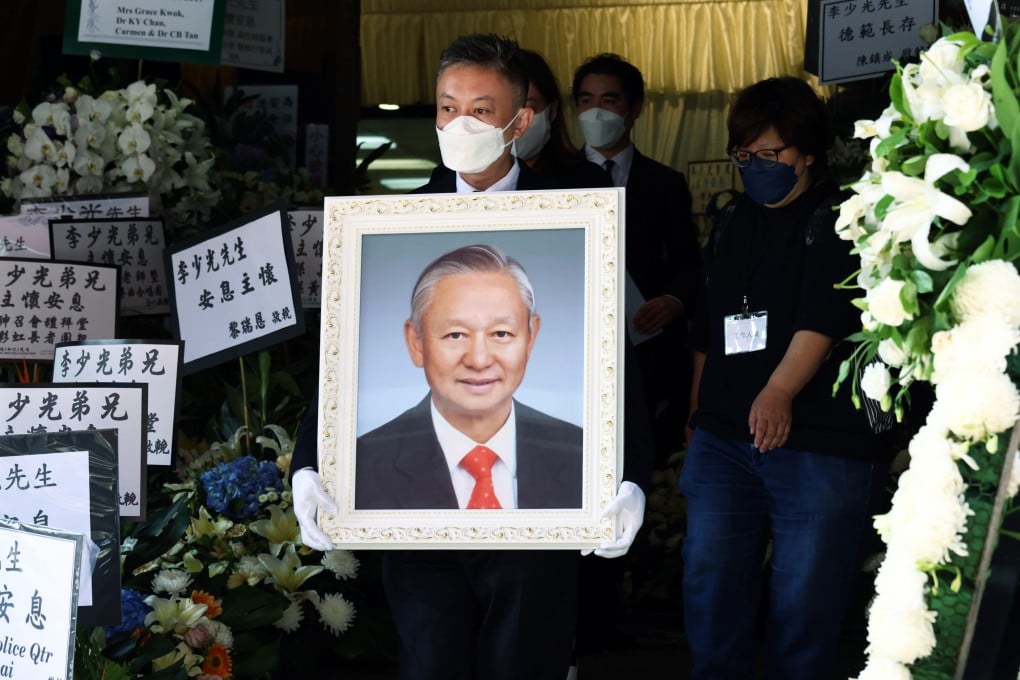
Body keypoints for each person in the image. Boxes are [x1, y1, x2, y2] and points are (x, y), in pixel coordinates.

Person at [291, 33, 645, 680]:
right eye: (447, 107)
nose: (460, 124)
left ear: (522, 120)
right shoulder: (396, 219)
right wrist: (311, 463)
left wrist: (631, 476)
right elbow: (346, 348)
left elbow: (614, 357)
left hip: (540, 512)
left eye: (481, 111)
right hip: (415, 510)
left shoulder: (574, 212)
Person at [681, 76, 882, 679]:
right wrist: (698, 414)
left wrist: (779, 391)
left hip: (819, 440)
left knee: (805, 607)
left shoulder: (843, 216)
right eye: (745, 155)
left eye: (772, 155)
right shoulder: (732, 218)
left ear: (808, 152)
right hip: (724, 437)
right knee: (711, 590)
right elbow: (707, 325)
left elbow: (825, 314)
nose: (757, 166)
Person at [354, 243, 583, 510]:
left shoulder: (584, 455)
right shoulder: (360, 466)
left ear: (531, 338)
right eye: (456, 335)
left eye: (501, 334)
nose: (479, 360)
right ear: (416, 342)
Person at [571, 53, 701, 461]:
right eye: (586, 99)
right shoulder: (555, 179)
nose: (595, 111)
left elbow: (688, 261)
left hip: (649, 351)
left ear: (635, 108)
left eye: (608, 100)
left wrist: (672, 301)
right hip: (579, 347)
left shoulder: (665, 182)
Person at [514, 48, 611, 190]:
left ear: (552, 111)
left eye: (527, 108)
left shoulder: (587, 181)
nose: (517, 122)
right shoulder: (473, 183)